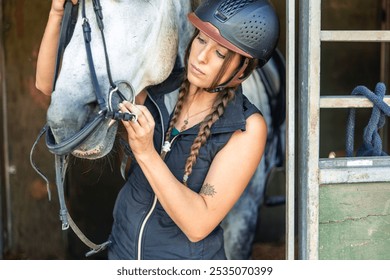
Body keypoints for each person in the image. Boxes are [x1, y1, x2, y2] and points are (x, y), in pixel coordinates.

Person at [36, 0, 279, 260]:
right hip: (122, 256)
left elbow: (198, 224)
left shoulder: (246, 127)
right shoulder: (159, 90)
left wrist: (146, 153)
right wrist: (57, 14)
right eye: (201, 40)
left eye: (220, 54)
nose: (201, 57)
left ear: (243, 70)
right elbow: (48, 86)